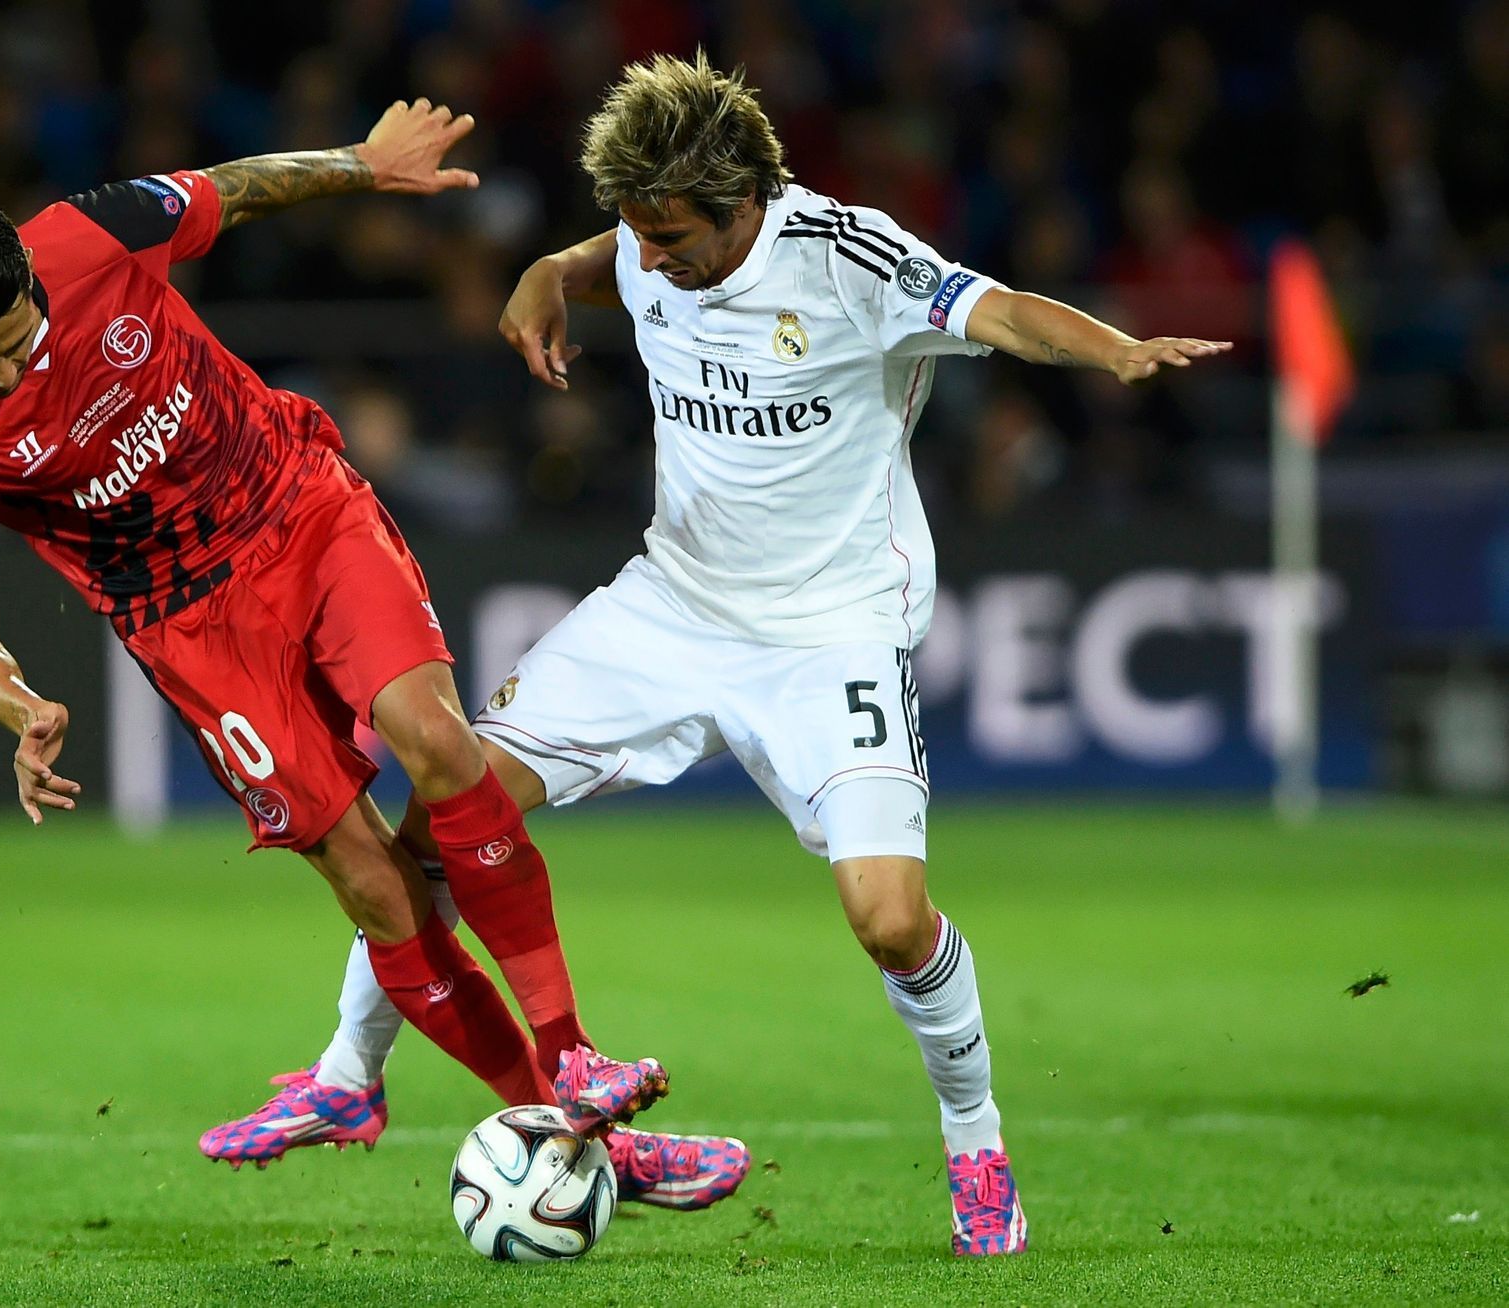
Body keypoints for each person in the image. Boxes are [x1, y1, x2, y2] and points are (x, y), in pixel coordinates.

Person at [204, 53, 1232, 1251]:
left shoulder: (850, 259)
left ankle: (978, 1144)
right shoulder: (646, 239)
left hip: (831, 630)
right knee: (444, 811)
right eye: (634, 229)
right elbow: (603, 260)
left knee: (890, 919)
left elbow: (996, 311)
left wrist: (1112, 351)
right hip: (674, 605)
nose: (652, 252)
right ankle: (346, 1071)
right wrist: (546, 270)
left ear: (745, 198)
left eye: (674, 232)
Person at [0, 99, 717, 1184]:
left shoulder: (86, 235)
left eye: (13, 343)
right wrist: (18, 702)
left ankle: (572, 1050)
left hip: (298, 507)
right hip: (187, 624)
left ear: (32, 282)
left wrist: (363, 164)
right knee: (371, 884)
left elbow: (233, 186)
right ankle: (578, 1132)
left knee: (432, 736)